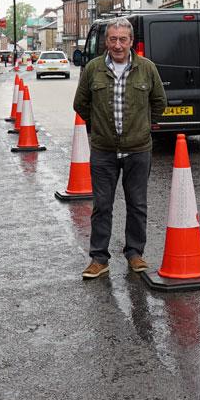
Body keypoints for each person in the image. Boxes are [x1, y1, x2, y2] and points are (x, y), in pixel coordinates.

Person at [73, 17, 167, 279]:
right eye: (113, 39)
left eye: (122, 39)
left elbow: (159, 102)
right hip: (103, 150)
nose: (117, 45)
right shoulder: (93, 69)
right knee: (102, 205)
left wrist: (143, 127)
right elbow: (80, 103)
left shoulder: (147, 68)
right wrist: (99, 127)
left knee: (137, 204)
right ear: (106, 41)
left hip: (138, 149)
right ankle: (98, 258)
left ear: (131, 41)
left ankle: (135, 253)